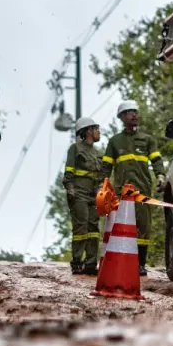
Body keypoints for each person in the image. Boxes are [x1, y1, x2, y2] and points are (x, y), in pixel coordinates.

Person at [102, 100, 163, 275]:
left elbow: (157, 161)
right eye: (129, 112)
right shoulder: (115, 142)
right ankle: (121, 262)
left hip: (143, 191)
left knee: (143, 227)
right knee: (122, 227)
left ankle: (140, 264)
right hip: (123, 194)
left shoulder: (147, 140)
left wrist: (160, 175)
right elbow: (106, 168)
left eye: (135, 112)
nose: (134, 115)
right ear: (122, 117)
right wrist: (103, 186)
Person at [62, 116, 105, 275]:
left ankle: (91, 263)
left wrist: (102, 187)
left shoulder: (97, 153)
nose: (99, 132)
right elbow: (69, 171)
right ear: (88, 131)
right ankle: (77, 262)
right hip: (79, 194)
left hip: (94, 195)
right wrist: (70, 188)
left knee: (94, 228)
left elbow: (101, 175)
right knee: (81, 227)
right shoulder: (75, 148)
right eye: (96, 129)